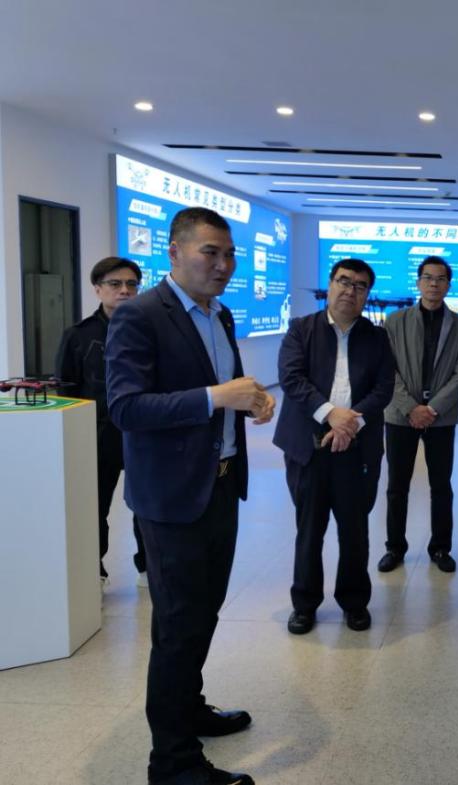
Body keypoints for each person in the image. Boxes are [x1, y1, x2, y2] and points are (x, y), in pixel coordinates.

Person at [107, 207, 275, 785]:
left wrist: (249, 402)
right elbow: (126, 407)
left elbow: (222, 393)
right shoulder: (140, 315)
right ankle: (173, 762)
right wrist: (216, 396)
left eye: (230, 255)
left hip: (219, 486)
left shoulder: (219, 314)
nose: (223, 265)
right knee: (178, 627)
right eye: (211, 252)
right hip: (171, 498)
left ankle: (190, 708)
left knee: (203, 613)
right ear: (174, 252)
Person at [275, 258, 394, 636]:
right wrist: (331, 415)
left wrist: (351, 422)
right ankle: (304, 604)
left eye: (360, 286)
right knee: (309, 530)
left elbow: (384, 389)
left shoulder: (377, 337)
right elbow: (291, 378)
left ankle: (354, 602)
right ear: (330, 284)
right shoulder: (301, 329)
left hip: (357, 449)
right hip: (308, 449)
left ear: (367, 294)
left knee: (355, 531)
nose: (350, 290)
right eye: (344, 281)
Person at [55, 256, 148, 586]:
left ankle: (149, 565)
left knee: (147, 506)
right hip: (96, 437)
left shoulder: (150, 331)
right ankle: (93, 569)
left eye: (131, 284)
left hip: (143, 434)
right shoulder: (78, 336)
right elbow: (65, 390)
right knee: (93, 508)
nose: (124, 290)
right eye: (115, 284)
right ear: (97, 289)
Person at [377, 256, 458, 574]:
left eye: (440, 279)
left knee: (441, 485)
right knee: (397, 485)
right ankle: (394, 548)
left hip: (440, 417)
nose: (434, 284)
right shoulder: (395, 321)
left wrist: (431, 409)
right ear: (418, 282)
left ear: (448, 285)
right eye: (428, 278)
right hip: (400, 415)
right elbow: (387, 369)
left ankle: (440, 548)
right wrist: (410, 407)